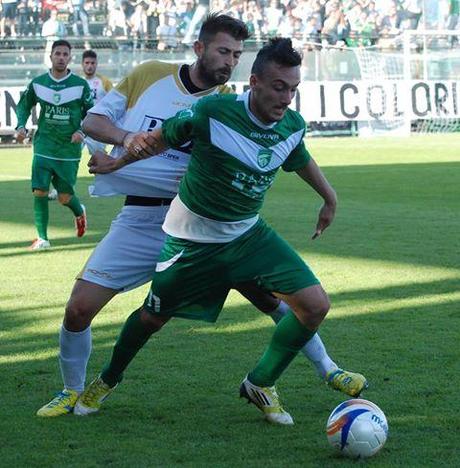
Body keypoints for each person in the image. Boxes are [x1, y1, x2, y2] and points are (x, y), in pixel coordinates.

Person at [36, 16, 366, 417]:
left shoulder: (232, 104)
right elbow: (95, 122)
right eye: (223, 51)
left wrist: (328, 196)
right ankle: (73, 389)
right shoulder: (153, 76)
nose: (229, 61)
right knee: (80, 309)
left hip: (210, 227)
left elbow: (290, 150)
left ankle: (323, 369)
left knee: (278, 301)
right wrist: (123, 146)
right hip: (143, 220)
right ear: (200, 48)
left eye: (236, 55)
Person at [15, 39, 92, 250]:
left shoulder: (80, 85)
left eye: (65, 54)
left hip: (68, 149)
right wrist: (21, 125)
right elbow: (24, 105)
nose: (61, 57)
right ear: (51, 56)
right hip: (44, 146)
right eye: (57, 53)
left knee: (65, 196)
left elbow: (93, 114)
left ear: (70, 58)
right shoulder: (39, 82)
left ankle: (79, 211)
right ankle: (43, 239)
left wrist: (81, 130)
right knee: (39, 191)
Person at [81, 49, 113, 155]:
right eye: (87, 63)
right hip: (78, 127)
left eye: (92, 63)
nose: (90, 66)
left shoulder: (104, 82)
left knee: (99, 160)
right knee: (70, 158)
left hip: (97, 127)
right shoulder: (77, 82)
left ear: (96, 64)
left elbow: (114, 103)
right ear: (82, 64)